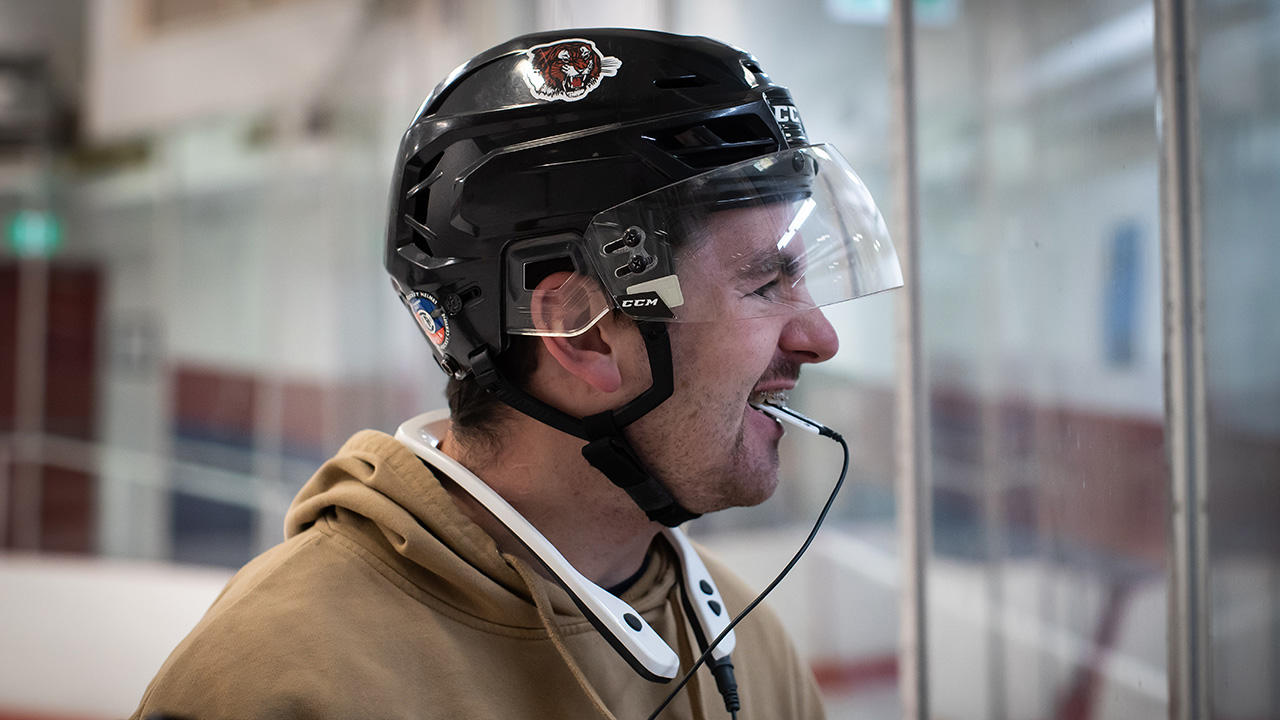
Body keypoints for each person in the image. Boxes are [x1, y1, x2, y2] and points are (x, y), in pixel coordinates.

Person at [132, 28, 900, 720]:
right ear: (586, 331)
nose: (820, 337)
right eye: (766, 285)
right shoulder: (275, 683)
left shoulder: (747, 640)